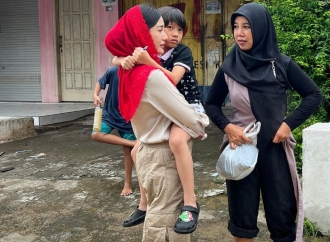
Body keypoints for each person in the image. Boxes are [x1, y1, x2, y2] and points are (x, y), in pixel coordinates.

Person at [204, 3, 322, 242]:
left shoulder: (281, 64)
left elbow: (314, 95)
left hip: (275, 149)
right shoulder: (229, 67)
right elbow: (211, 104)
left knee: (282, 220)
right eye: (236, 27)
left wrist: (288, 124)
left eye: (246, 27)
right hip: (241, 147)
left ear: (261, 28)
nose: (239, 33)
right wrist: (228, 127)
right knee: (242, 222)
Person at [104, 4, 209, 241]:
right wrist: (124, 60)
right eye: (163, 28)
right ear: (142, 34)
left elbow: (170, 80)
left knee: (176, 139)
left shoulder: (175, 55)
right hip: (166, 131)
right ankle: (144, 204)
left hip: (189, 105)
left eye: (176, 29)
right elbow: (115, 58)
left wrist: (143, 60)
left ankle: (190, 202)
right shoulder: (148, 65)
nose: (169, 35)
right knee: (137, 152)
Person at [91, 66, 136, 196]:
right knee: (96, 134)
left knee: (127, 151)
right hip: (109, 114)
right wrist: (95, 95)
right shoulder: (113, 71)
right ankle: (134, 143)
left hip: (127, 117)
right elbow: (100, 82)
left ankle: (127, 183)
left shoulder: (138, 73)